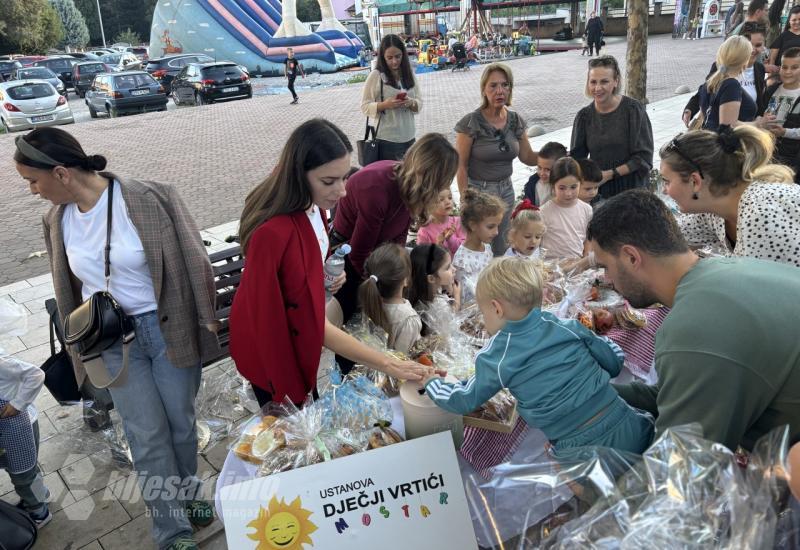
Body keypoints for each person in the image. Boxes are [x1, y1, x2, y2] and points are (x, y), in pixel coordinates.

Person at [16, 128, 218, 550]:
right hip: (112, 341)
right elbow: (68, 284)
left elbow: (196, 260)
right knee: (146, 436)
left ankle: (191, 494)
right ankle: (172, 531)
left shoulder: (151, 197)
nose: (33, 192)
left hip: (167, 330)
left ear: (61, 173)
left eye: (33, 182)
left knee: (181, 425)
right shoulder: (56, 219)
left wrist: (207, 325)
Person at [232, 119, 429, 407]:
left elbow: (308, 264)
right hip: (273, 352)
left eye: (343, 177)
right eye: (329, 181)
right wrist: (386, 363)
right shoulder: (273, 233)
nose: (342, 191)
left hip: (298, 340)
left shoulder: (313, 206)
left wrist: (326, 273)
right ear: (298, 175)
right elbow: (299, 323)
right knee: (292, 428)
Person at [588, 189, 800, 451]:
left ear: (632, 257)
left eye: (605, 267)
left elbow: (682, 465)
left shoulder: (696, 325)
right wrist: (591, 394)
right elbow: (682, 393)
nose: (607, 280)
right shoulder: (731, 268)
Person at [424, 257, 654, 459]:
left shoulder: (497, 354)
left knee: (604, 504)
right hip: (625, 421)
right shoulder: (568, 326)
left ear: (496, 308)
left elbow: (464, 400)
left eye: (484, 314)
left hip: (576, 449)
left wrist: (432, 383)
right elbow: (614, 363)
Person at [330, 133, 458, 324]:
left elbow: (398, 238)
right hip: (347, 259)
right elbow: (359, 254)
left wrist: (401, 276)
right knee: (355, 323)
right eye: (443, 181)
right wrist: (387, 291)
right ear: (430, 178)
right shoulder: (377, 189)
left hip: (375, 253)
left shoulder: (410, 187)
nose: (444, 188)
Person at [659, 126, 800, 267]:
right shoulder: (716, 209)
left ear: (695, 181)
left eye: (666, 182)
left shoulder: (761, 217)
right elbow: (669, 232)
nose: (665, 191)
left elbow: (766, 287)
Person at [455, 63, 539, 255]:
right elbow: (460, 165)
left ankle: (501, 284)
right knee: (481, 248)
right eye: (493, 86)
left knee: (503, 246)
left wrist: (552, 158)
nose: (499, 91)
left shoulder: (515, 120)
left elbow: (527, 156)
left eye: (505, 85)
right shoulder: (471, 122)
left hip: (506, 190)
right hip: (480, 193)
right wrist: (464, 199)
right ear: (484, 89)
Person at [571, 55, 654, 199]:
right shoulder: (584, 117)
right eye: (593, 82)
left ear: (616, 81)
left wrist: (609, 174)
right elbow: (577, 158)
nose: (597, 88)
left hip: (633, 191)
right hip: (599, 192)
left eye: (604, 82)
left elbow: (644, 158)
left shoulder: (633, 110)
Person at [683, 22, 768, 127]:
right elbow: (728, 125)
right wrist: (756, 124)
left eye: (758, 45)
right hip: (730, 139)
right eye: (749, 46)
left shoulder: (759, 69)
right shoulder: (729, 80)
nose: (753, 50)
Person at [0, 352, 51, 528]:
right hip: (5, 431)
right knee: (23, 471)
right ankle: (38, 496)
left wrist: (18, 403)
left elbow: (36, 375)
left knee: (23, 475)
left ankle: (39, 512)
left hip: (17, 429)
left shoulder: (2, 363)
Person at [360, 34, 422, 161]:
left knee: (409, 178)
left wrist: (411, 103)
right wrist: (385, 105)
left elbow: (419, 102)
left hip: (409, 137)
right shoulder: (376, 76)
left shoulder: (409, 74)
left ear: (403, 55)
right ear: (383, 57)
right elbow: (364, 106)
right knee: (389, 179)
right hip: (387, 139)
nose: (394, 61)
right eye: (389, 58)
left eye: (398, 56)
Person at [358, 243, 422, 354]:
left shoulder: (370, 299)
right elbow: (401, 359)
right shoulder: (408, 319)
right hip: (390, 369)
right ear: (406, 279)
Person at [453, 188, 506, 305]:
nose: (496, 232)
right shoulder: (462, 260)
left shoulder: (486, 248)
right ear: (473, 225)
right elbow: (462, 297)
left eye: (498, 226)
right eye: (491, 227)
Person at [697, 36, 760, 132]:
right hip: (728, 144)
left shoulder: (709, 83)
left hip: (710, 142)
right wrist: (757, 124)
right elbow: (729, 126)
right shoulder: (731, 85)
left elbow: (707, 118)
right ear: (745, 60)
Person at [540, 157, 593, 259]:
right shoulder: (543, 212)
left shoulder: (587, 210)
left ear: (580, 183)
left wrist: (587, 252)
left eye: (573, 187)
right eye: (562, 188)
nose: (568, 193)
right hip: (550, 267)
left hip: (577, 265)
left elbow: (588, 238)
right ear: (553, 186)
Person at [762, 47, 800, 177]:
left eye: (794, 67)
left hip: (791, 159)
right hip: (766, 151)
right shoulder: (771, 90)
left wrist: (785, 132)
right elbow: (759, 114)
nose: (788, 72)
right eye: (784, 67)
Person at [409, 243, 460, 314]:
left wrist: (447, 287)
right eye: (448, 267)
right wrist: (457, 296)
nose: (454, 269)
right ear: (431, 279)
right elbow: (452, 319)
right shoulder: (438, 305)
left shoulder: (423, 292)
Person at [416, 188, 466, 257]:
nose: (448, 202)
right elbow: (421, 258)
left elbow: (465, 248)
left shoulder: (458, 222)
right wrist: (438, 245)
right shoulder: (424, 231)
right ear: (428, 205)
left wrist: (450, 239)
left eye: (450, 197)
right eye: (441, 200)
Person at [523, 141, 567, 206]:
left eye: (548, 169)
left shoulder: (570, 184)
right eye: (539, 168)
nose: (542, 173)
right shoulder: (532, 184)